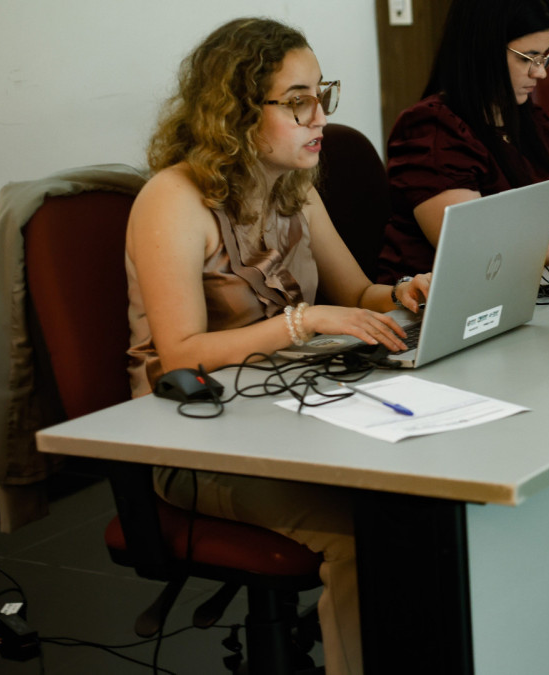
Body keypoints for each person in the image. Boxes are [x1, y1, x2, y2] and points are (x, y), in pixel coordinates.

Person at [126, 18, 430, 674]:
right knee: (366, 536)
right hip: (199, 442)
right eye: (298, 101)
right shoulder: (173, 199)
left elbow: (357, 291)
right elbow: (178, 356)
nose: (319, 116)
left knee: (425, 505)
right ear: (235, 111)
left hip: (291, 413)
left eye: (322, 95)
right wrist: (303, 323)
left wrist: (408, 291)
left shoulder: (294, 186)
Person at [377, 0, 549, 282]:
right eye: (527, 58)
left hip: (531, 291)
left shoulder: (530, 119)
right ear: (482, 50)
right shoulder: (431, 131)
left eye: (545, 57)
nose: (540, 72)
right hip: (442, 309)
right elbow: (479, 250)